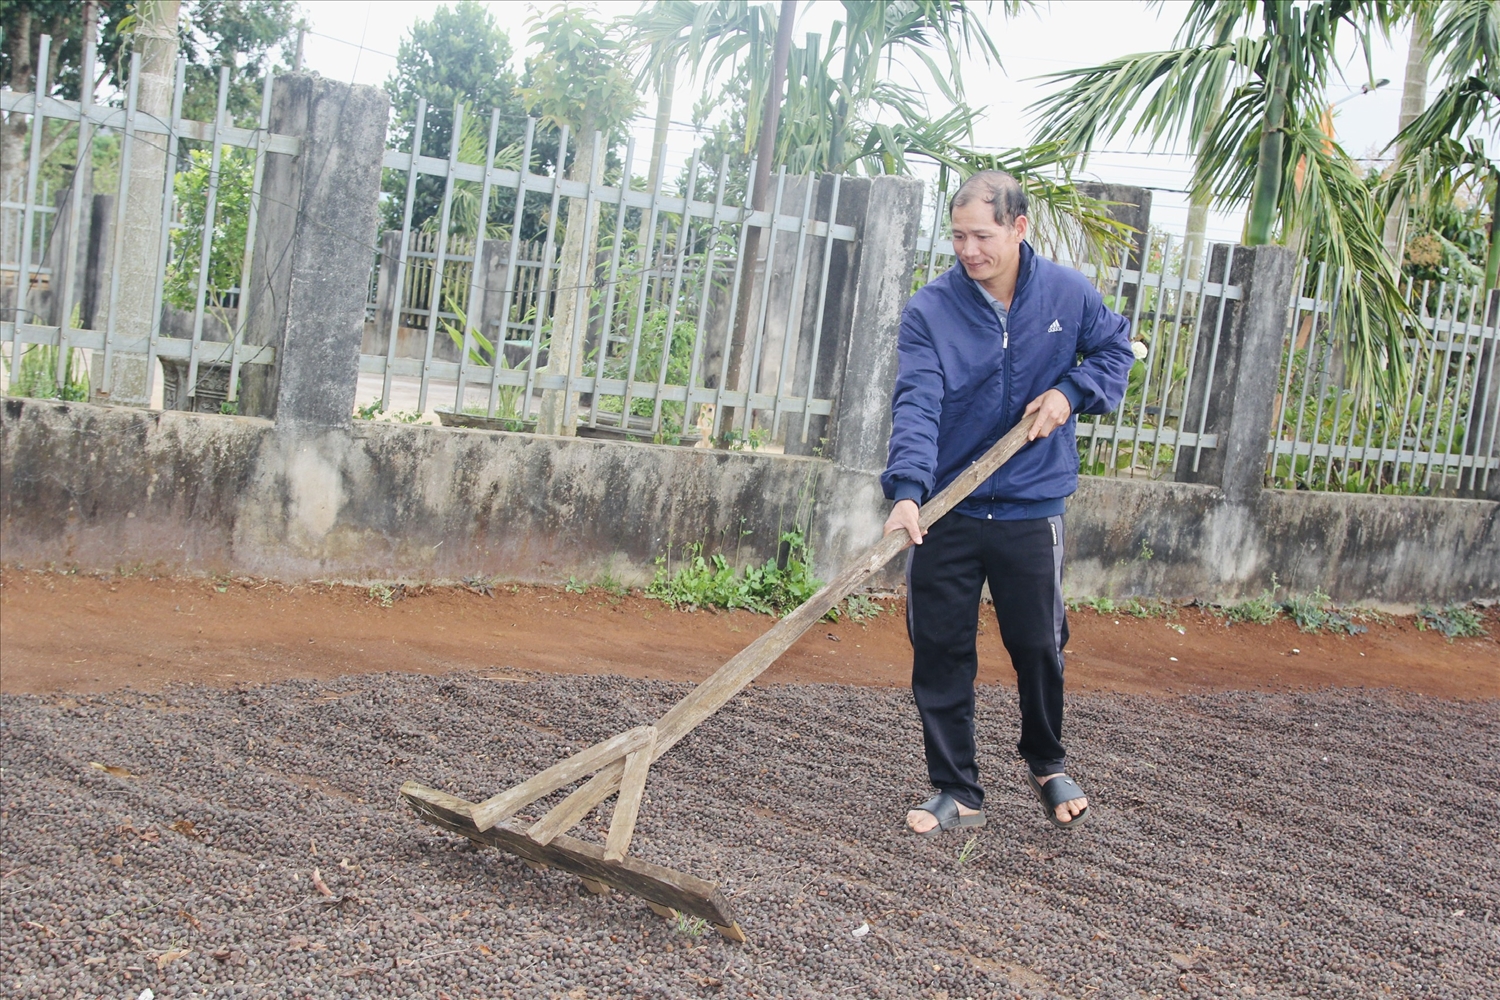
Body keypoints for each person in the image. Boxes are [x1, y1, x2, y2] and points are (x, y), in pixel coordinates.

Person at [881, 170, 1134, 834]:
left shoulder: (1068, 295)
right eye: (958, 236)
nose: (968, 251)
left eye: (983, 236)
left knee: (1039, 644)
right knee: (939, 647)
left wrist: (1070, 393)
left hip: (1030, 502)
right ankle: (957, 790)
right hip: (948, 509)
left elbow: (1114, 351)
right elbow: (917, 404)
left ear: (1020, 229)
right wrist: (908, 493)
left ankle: (1047, 762)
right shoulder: (931, 310)